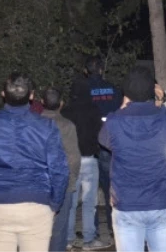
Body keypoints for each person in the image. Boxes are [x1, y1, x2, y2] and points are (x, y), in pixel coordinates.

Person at [0, 73, 69, 252]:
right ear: (31, 95)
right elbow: (59, 170)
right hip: (37, 204)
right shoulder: (47, 127)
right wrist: (55, 203)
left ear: (3, 94)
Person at [97, 66, 166, 252]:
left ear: (126, 93)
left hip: (127, 204)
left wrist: (123, 106)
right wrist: (160, 101)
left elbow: (104, 141)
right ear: (152, 90)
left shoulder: (114, 122)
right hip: (161, 203)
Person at [73, 55, 122, 237]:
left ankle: (91, 231)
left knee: (90, 191)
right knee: (112, 189)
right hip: (109, 144)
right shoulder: (113, 89)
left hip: (89, 144)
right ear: (101, 69)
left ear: (86, 71)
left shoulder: (82, 90)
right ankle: (113, 227)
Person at [62, 86, 104, 249]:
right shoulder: (94, 110)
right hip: (89, 160)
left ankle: (68, 239)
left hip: (70, 161)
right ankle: (89, 239)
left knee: (71, 203)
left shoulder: (65, 112)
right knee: (89, 203)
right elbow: (100, 133)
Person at [41, 88, 82, 252]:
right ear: (61, 104)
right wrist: (71, 182)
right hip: (61, 183)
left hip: (38, 184)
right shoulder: (67, 125)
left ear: (42, 102)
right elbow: (74, 158)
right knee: (59, 230)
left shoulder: (33, 123)